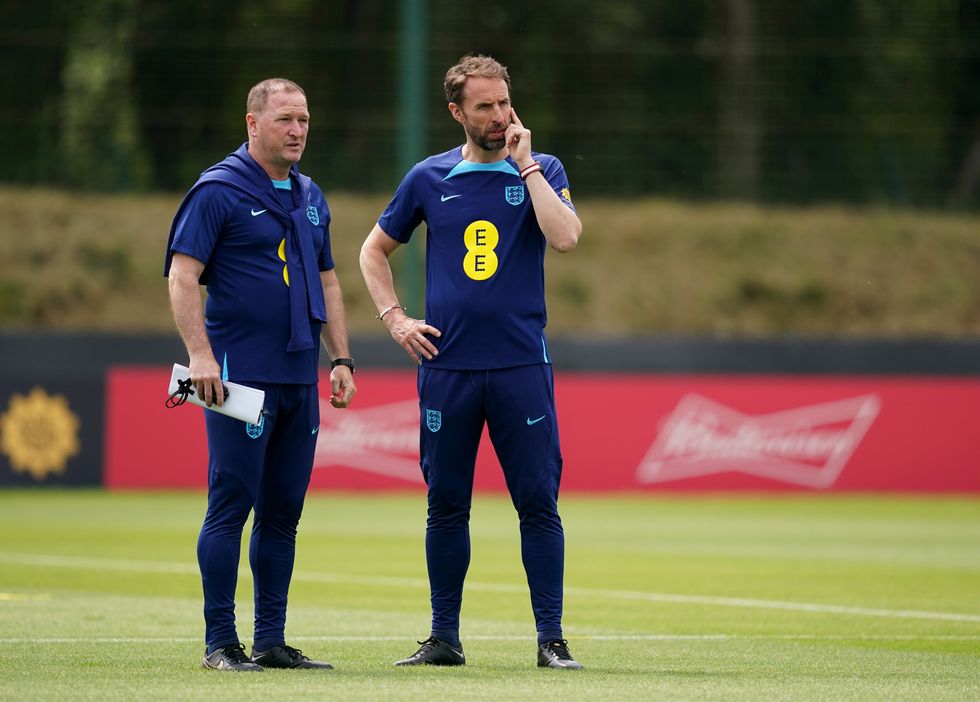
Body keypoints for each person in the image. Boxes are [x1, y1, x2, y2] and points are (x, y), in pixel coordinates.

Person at [359, 55, 583, 670]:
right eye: (483, 106)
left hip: (519, 367)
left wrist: (528, 166)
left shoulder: (542, 169)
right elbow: (373, 251)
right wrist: (396, 319)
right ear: (457, 112)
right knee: (446, 503)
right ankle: (443, 638)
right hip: (448, 369)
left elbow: (565, 237)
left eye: (503, 102)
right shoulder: (429, 177)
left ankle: (551, 639)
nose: (498, 115)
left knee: (538, 502)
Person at [165, 78, 356, 672]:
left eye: (304, 119)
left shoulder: (309, 194)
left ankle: (270, 640)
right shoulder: (217, 191)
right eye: (285, 120)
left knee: (283, 513)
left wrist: (341, 358)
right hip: (237, 380)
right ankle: (220, 643)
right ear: (252, 124)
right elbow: (181, 276)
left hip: (300, 379)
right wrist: (199, 357)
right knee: (230, 504)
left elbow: (326, 281)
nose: (297, 130)